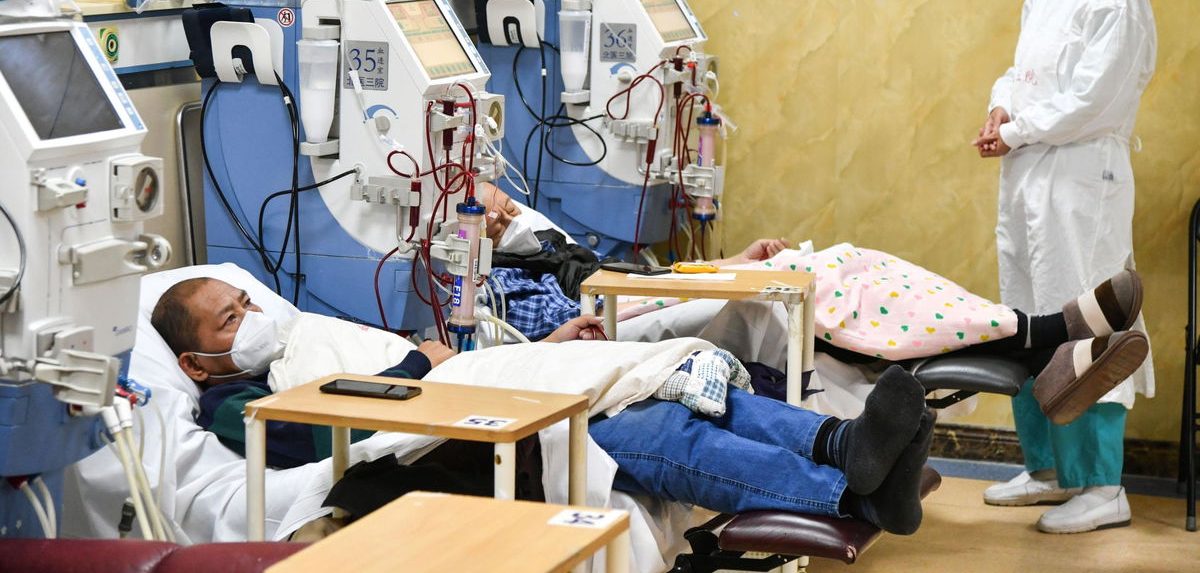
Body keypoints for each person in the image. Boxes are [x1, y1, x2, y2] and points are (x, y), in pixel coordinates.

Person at [152, 276, 936, 535]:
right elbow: (320, 431)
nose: (251, 321)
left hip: (479, 394)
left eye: (247, 304)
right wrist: (414, 360)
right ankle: (850, 493)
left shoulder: (306, 338)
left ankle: (843, 446)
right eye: (229, 321)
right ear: (194, 360)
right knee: (652, 425)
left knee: (672, 385)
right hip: (443, 440)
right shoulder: (236, 403)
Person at [480, 182, 1149, 425]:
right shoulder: (480, 291)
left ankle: (1038, 352)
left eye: (511, 206)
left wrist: (735, 264)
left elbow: (635, 274)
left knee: (843, 269)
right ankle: (1042, 338)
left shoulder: (541, 249)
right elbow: (497, 367)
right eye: (492, 215)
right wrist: (561, 335)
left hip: (640, 301)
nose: (509, 217)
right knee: (812, 286)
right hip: (615, 328)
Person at [971, 0, 1156, 533]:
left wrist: (1016, 131)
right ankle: (1047, 469)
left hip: (1082, 181)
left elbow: (1091, 102)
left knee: (1087, 326)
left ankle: (1103, 486)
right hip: (1031, 180)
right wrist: (999, 108)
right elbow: (1022, 72)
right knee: (1027, 315)